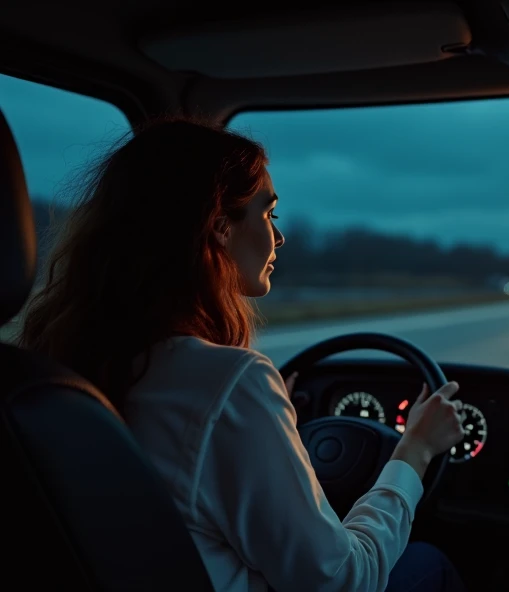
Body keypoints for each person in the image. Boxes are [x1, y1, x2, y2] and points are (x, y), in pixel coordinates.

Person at [18, 117, 468, 592]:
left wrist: (270, 420)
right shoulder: (230, 382)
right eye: (268, 213)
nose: (280, 236)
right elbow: (344, 580)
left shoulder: (58, 368)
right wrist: (414, 451)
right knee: (428, 563)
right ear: (219, 226)